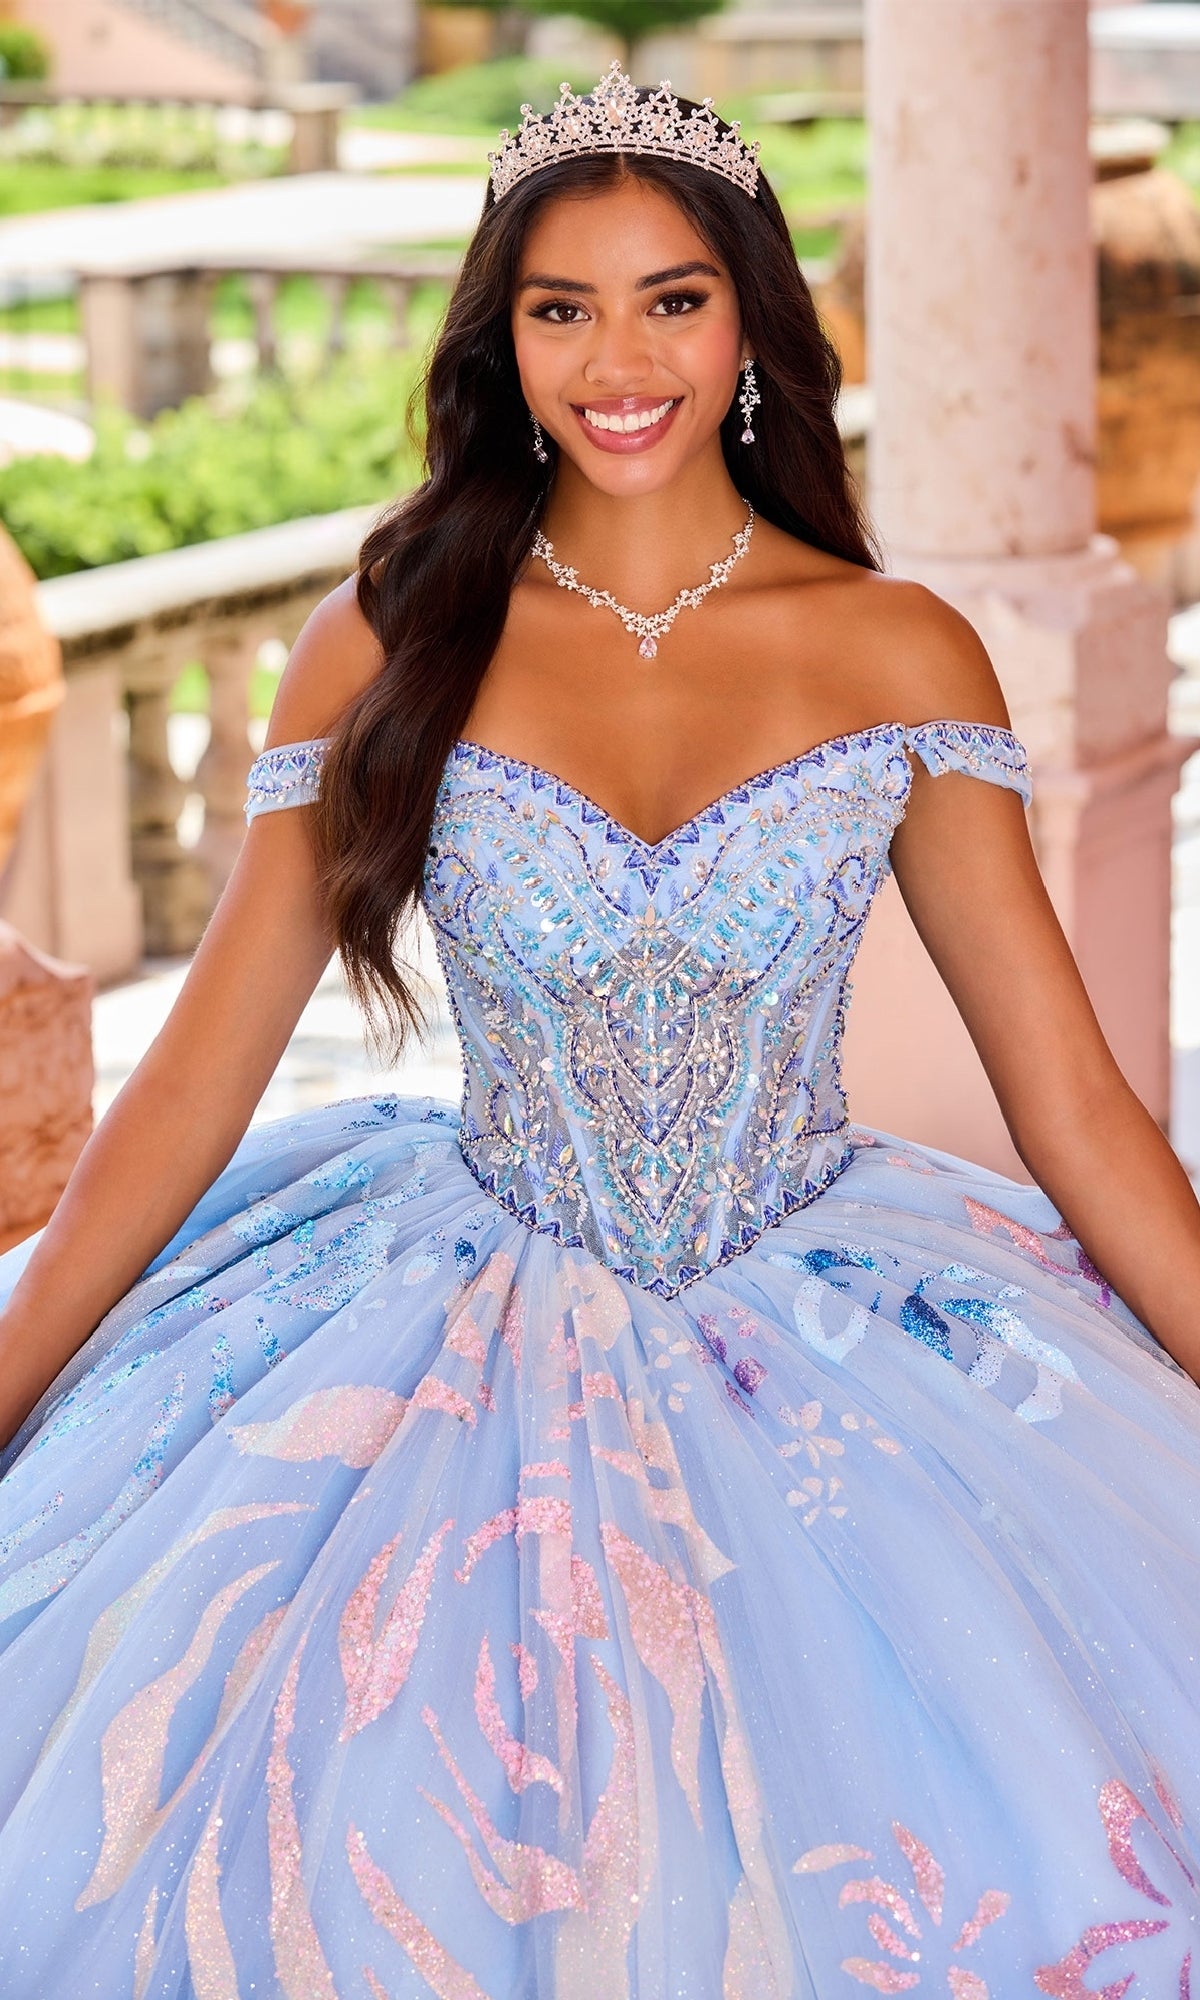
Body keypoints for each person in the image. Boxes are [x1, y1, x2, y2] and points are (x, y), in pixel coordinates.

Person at [0, 63, 1197, 1998]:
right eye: (560, 308)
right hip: (455, 1329)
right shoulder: (387, 634)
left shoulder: (898, 653)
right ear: (503, 339)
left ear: (749, 325)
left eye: (672, 299)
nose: (615, 359)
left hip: (826, 1338)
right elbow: (198, 1080)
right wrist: (10, 1372)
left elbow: (1072, 1106)